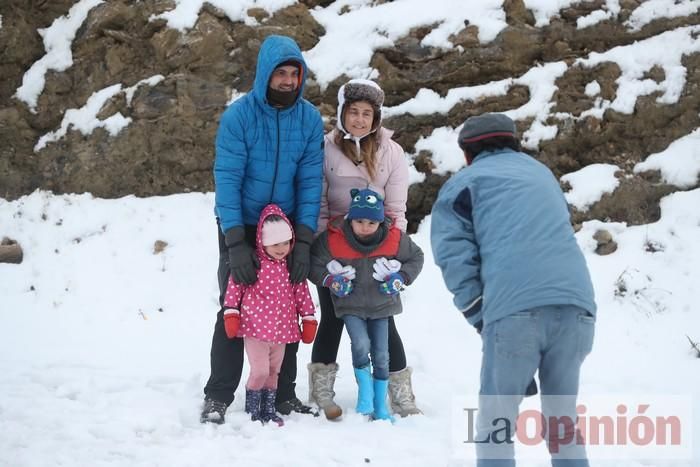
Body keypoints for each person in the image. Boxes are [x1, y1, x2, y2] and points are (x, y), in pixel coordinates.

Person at [430, 113, 596, 466]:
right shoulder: (542, 174)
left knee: (496, 422)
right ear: (514, 142)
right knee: (563, 421)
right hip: (578, 307)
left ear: (468, 154)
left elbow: (453, 256)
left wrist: (480, 315)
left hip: (515, 310)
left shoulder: (466, 183)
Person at [201, 34, 324, 424]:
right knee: (234, 309)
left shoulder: (307, 119)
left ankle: (283, 394)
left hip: (284, 233)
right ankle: (218, 395)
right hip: (244, 225)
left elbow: (309, 183)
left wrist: (302, 241)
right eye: (281, 73)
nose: (288, 81)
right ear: (264, 74)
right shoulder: (239, 117)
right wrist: (235, 241)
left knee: (286, 311)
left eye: (294, 74)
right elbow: (228, 179)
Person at [307, 78, 421, 420]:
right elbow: (320, 201)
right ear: (342, 114)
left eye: (367, 113)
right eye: (353, 112)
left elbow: (396, 208)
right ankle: (321, 388)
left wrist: (393, 251)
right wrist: (323, 248)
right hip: (337, 246)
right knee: (333, 318)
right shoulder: (325, 150)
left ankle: (399, 391)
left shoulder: (391, 152)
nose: (359, 119)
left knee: (383, 318)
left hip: (377, 245)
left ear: (376, 118)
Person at [310, 188, 424, 421]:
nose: (364, 226)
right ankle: (364, 394)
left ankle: (379, 404)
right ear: (350, 219)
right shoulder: (334, 238)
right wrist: (331, 280)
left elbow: (416, 257)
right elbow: (314, 262)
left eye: (371, 222)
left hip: (381, 306)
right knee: (361, 344)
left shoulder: (393, 238)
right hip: (350, 305)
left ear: (380, 221)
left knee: (382, 354)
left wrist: (401, 277)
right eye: (359, 221)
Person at [221, 204, 318, 427]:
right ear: (263, 241)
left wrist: (309, 318)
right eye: (276, 244)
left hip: (281, 331)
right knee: (260, 371)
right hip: (255, 329)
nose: (282, 248)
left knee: (274, 372)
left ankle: (268, 408)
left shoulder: (290, 267)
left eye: (286, 243)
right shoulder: (253, 264)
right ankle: (252, 408)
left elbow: (302, 294)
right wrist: (231, 314)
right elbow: (235, 288)